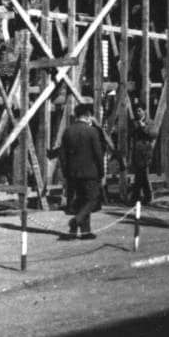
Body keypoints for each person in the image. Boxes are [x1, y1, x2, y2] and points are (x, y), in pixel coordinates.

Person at [59, 103, 105, 240]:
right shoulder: (92, 132)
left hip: (73, 173)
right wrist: (101, 172)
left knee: (81, 200)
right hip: (90, 172)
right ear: (88, 115)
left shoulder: (68, 131)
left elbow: (62, 155)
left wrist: (66, 172)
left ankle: (83, 232)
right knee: (92, 199)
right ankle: (77, 220)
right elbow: (98, 154)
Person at [130, 102, 156, 205]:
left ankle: (137, 197)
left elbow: (154, 134)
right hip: (137, 151)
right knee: (141, 174)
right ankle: (146, 196)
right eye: (136, 111)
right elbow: (131, 133)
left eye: (139, 111)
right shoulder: (134, 122)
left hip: (146, 152)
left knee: (141, 174)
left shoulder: (150, 122)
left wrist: (144, 127)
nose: (138, 113)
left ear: (144, 111)